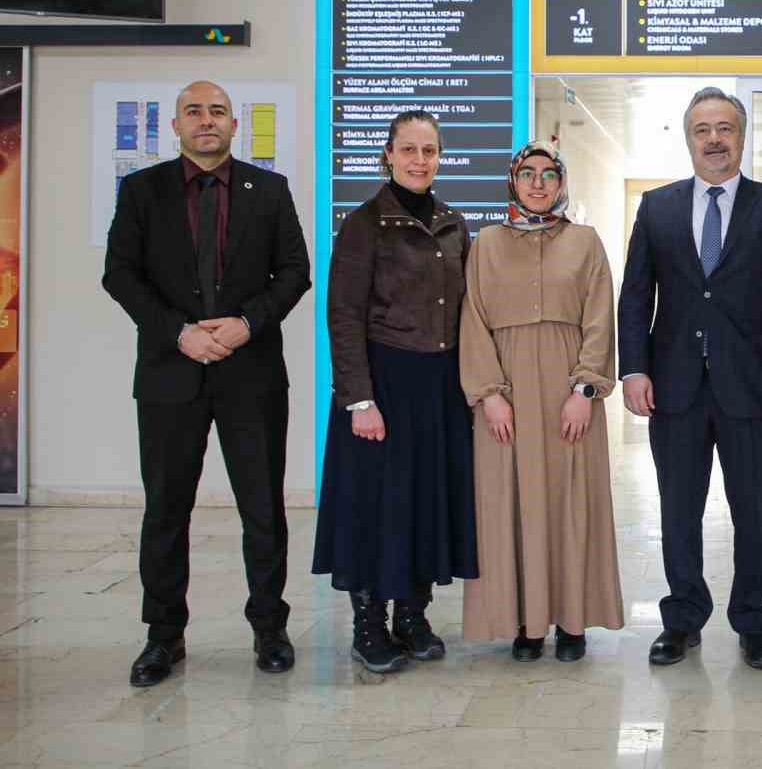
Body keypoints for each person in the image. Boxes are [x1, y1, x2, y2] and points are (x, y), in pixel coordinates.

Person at [103, 80, 311, 688]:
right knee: (166, 510)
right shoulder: (142, 191)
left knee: (263, 509)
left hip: (252, 375)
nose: (206, 120)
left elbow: (294, 271)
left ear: (233, 125)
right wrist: (178, 333)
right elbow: (120, 274)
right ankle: (163, 635)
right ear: (176, 126)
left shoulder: (268, 190)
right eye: (193, 111)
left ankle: (269, 628)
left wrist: (247, 323)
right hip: (170, 376)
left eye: (217, 111)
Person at [618, 87, 762, 671]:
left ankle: (753, 622)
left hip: (753, 388)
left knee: (753, 511)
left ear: (741, 137)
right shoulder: (657, 207)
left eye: (725, 128)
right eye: (702, 129)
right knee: (678, 510)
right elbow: (635, 296)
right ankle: (682, 618)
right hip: (674, 386)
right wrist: (634, 368)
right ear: (688, 139)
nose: (714, 139)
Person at [312, 110, 478, 674]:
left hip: (438, 387)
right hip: (382, 386)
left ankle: (412, 615)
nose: (419, 160)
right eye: (408, 149)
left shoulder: (453, 223)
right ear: (388, 154)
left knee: (425, 504)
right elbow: (343, 316)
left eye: (429, 150)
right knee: (375, 507)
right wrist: (359, 400)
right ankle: (369, 625)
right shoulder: (364, 224)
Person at [459, 142, 624, 662]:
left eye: (548, 174)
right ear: (513, 181)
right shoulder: (486, 244)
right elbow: (473, 321)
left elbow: (600, 319)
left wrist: (584, 390)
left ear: (560, 183)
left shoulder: (585, 242)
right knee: (512, 503)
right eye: (527, 173)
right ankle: (525, 623)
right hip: (506, 395)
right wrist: (489, 395)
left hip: (568, 394)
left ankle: (572, 622)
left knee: (569, 502)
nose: (537, 183)